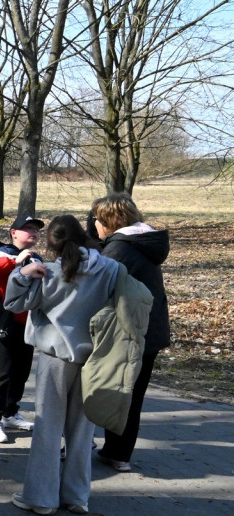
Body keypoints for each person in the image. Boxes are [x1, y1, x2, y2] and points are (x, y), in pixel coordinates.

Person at [5, 214, 121, 515]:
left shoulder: (48, 272)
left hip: (55, 357)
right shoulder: (111, 269)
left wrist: (22, 274)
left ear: (53, 244)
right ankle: (77, 496)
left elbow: (14, 305)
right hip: (95, 358)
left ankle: (41, 498)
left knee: (47, 428)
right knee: (83, 431)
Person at [92, 192, 171, 472]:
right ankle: (119, 454)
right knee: (134, 394)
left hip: (128, 331)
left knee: (113, 390)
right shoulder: (148, 242)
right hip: (152, 329)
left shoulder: (118, 250)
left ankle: (99, 447)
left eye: (96, 220)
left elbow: (100, 291)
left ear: (108, 220)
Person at [0, 215, 44, 444]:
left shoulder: (35, 257)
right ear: (13, 232)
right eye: (27, 229)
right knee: (2, 372)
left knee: (21, 372)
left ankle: (10, 413)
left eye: (37, 230)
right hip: (4, 322)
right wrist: (16, 261)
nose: (33, 233)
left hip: (27, 324)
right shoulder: (1, 253)